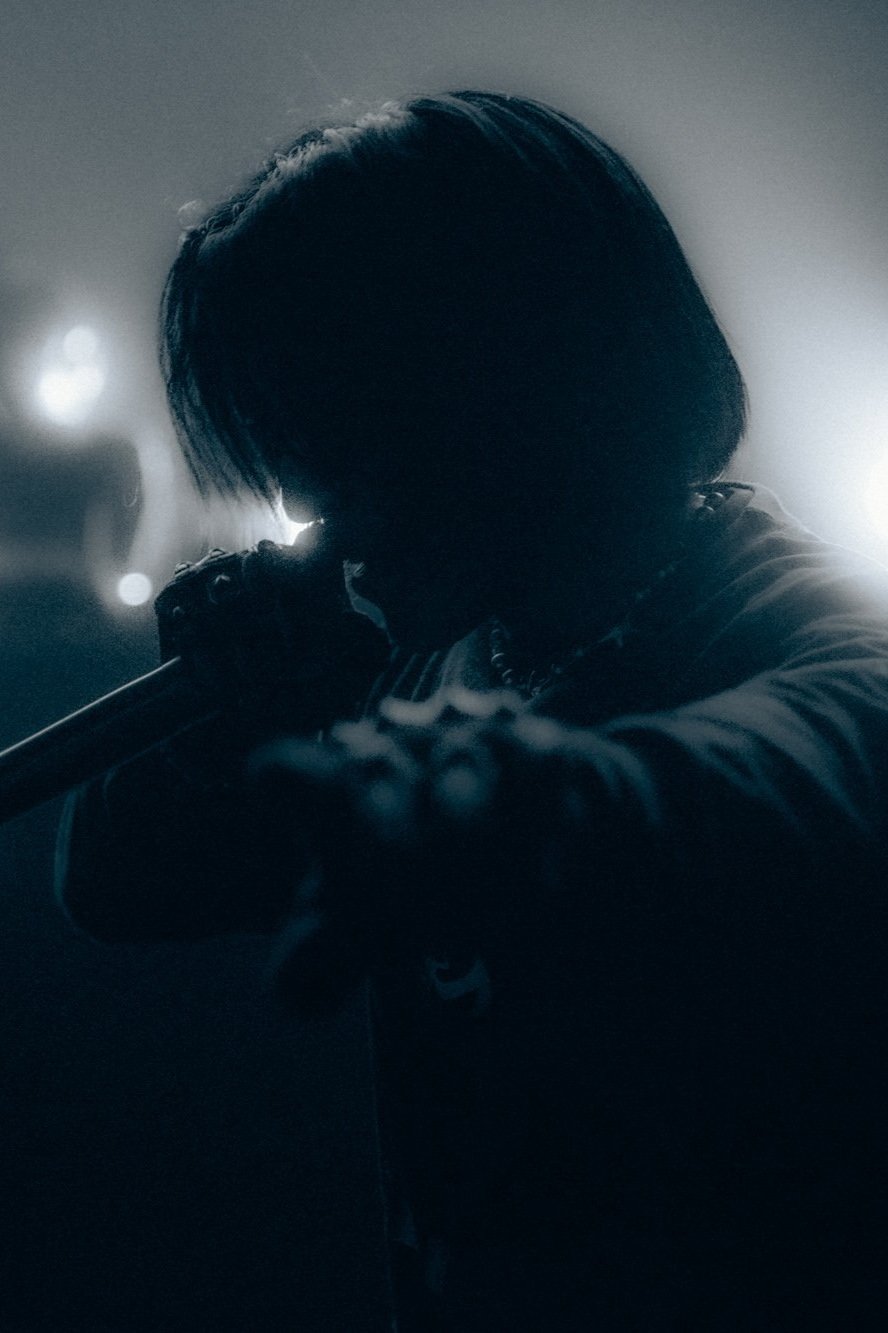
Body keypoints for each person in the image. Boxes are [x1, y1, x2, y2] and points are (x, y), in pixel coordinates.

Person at [57, 91, 888, 1329]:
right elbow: (116, 884)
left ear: (497, 386)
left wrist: (535, 796)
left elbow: (830, 744)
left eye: (331, 439)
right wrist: (231, 714)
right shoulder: (437, 654)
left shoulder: (798, 626)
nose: (306, 506)